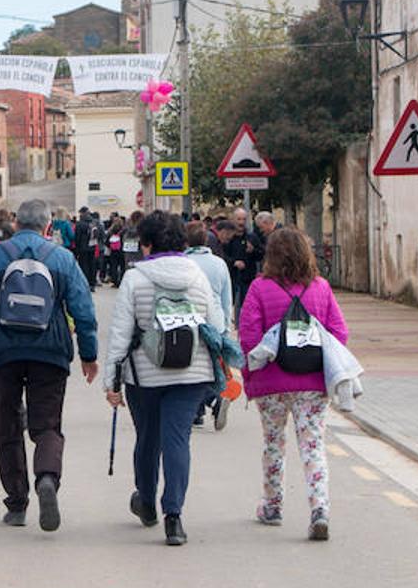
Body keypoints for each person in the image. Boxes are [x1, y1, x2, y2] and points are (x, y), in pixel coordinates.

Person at [0, 199, 99, 532]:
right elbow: (83, 310)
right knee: (47, 425)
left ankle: (17, 503)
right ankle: (47, 478)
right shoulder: (62, 258)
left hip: (2, 353)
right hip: (49, 353)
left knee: (6, 426)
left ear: (16, 223)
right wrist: (88, 354)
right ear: (48, 226)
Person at [104, 211, 222, 546]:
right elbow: (214, 324)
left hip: (144, 374)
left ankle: (145, 501)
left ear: (146, 243)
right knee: (177, 440)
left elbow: (120, 334)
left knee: (148, 439)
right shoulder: (198, 276)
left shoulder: (135, 278)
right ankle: (174, 517)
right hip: (192, 372)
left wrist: (111, 382)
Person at [239, 226, 349, 541]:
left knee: (274, 443)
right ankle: (320, 509)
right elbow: (339, 333)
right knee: (312, 445)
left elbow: (249, 338)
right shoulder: (321, 288)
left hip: (272, 382)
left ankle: (272, 506)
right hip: (312, 383)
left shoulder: (259, 288)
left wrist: (258, 366)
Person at [185, 220, 234, 430]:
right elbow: (226, 296)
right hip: (214, 319)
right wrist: (226, 325)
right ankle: (213, 399)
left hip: (189, 319)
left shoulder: (183, 262)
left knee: (190, 367)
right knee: (211, 366)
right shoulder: (219, 263)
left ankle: (201, 409)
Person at [73, 206, 98, 290]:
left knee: (84, 266)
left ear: (82, 213)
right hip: (92, 247)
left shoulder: (80, 223)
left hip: (83, 248)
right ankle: (92, 283)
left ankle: (85, 283)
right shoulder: (93, 222)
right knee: (92, 265)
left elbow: (77, 237)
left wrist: (76, 249)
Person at [105, 216, 126, 287]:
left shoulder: (110, 231)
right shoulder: (124, 231)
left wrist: (111, 246)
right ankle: (122, 280)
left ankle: (115, 282)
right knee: (122, 266)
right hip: (122, 251)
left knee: (113, 266)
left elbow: (107, 242)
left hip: (113, 251)